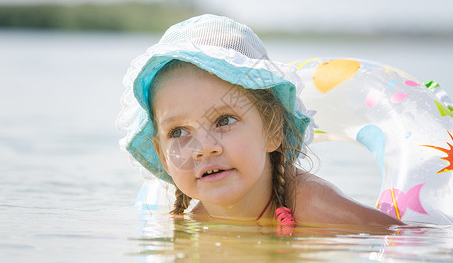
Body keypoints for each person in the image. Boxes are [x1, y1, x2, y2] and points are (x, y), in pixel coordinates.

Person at [117, 14, 404, 229]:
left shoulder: (310, 204)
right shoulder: (194, 222)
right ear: (161, 155)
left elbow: (402, 240)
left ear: (272, 129)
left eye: (224, 120)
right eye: (178, 131)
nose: (204, 148)